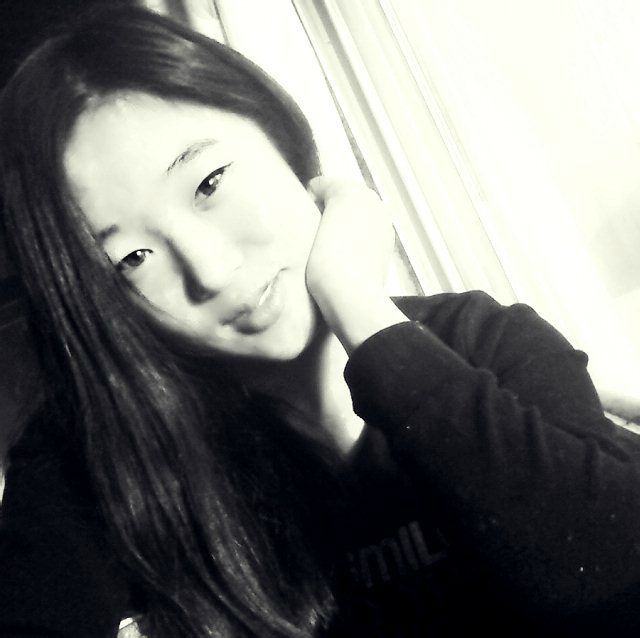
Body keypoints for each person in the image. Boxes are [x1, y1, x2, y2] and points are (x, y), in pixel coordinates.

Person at [1, 5, 640, 638]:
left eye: (209, 183)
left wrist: (359, 307)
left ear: (280, 138)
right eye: (132, 258)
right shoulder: (93, 459)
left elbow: (615, 577)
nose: (212, 272)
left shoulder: (484, 340)